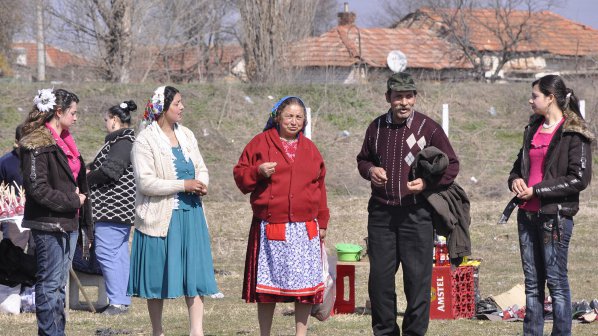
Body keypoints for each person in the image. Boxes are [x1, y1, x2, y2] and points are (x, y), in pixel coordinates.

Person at [356, 73, 459, 336]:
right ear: (388, 98)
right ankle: (385, 332)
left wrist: (427, 184)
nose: (404, 102)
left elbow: (452, 165)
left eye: (408, 96)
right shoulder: (376, 128)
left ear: (415, 97)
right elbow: (363, 160)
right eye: (398, 96)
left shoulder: (429, 129)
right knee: (380, 282)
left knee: (417, 283)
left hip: (417, 214)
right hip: (381, 214)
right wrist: (371, 171)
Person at [233, 96, 330, 336]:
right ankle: (265, 333)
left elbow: (320, 187)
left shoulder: (310, 149)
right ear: (278, 117)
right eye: (289, 116)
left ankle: (301, 333)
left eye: (299, 117)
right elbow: (240, 176)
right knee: (268, 289)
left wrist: (323, 220)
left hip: (303, 228)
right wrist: (258, 171)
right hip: (271, 225)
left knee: (305, 288)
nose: (294, 121)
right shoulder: (259, 143)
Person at [128, 86, 220, 336]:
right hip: (161, 217)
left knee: (195, 273)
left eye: (181, 103)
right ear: (162, 108)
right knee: (157, 275)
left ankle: (196, 331)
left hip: (191, 215)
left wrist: (201, 183)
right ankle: (157, 331)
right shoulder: (145, 140)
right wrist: (183, 185)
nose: (182, 107)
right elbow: (146, 182)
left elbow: (201, 166)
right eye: (177, 103)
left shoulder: (187, 134)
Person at [508, 74, 593, 336]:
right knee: (532, 284)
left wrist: (537, 190)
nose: (530, 100)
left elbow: (579, 178)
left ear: (550, 98)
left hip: (554, 218)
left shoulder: (574, 133)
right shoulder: (532, 129)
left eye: (535, 96)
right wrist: (516, 182)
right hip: (526, 216)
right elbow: (516, 168)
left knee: (556, 282)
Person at [19, 88, 92, 336]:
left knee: (59, 286)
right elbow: (37, 189)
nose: (76, 117)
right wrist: (73, 200)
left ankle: (57, 332)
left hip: (69, 222)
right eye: (73, 112)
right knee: (49, 285)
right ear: (58, 112)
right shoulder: (37, 143)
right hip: (48, 224)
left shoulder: (66, 142)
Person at [87, 100, 137, 315]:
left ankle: (117, 302)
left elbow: (111, 171)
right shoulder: (123, 141)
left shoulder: (123, 142)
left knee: (107, 253)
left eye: (107, 120)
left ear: (115, 120)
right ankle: (121, 300)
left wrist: (86, 179)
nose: (106, 124)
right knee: (117, 255)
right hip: (118, 210)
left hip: (112, 208)